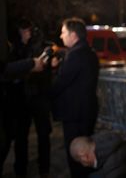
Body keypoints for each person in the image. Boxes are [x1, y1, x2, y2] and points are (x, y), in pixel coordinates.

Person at [50, 17, 99, 178]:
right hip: (86, 112)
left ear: (73, 35)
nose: (61, 36)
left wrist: (53, 71)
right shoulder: (90, 53)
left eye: (63, 33)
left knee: (77, 156)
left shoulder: (75, 55)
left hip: (75, 115)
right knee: (87, 154)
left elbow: (60, 83)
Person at [9, 18, 53, 178]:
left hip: (38, 96)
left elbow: (42, 66)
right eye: (22, 30)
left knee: (43, 135)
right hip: (21, 98)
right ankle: (20, 169)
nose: (24, 33)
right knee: (21, 138)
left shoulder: (39, 45)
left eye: (27, 30)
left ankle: (44, 169)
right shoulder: (14, 47)